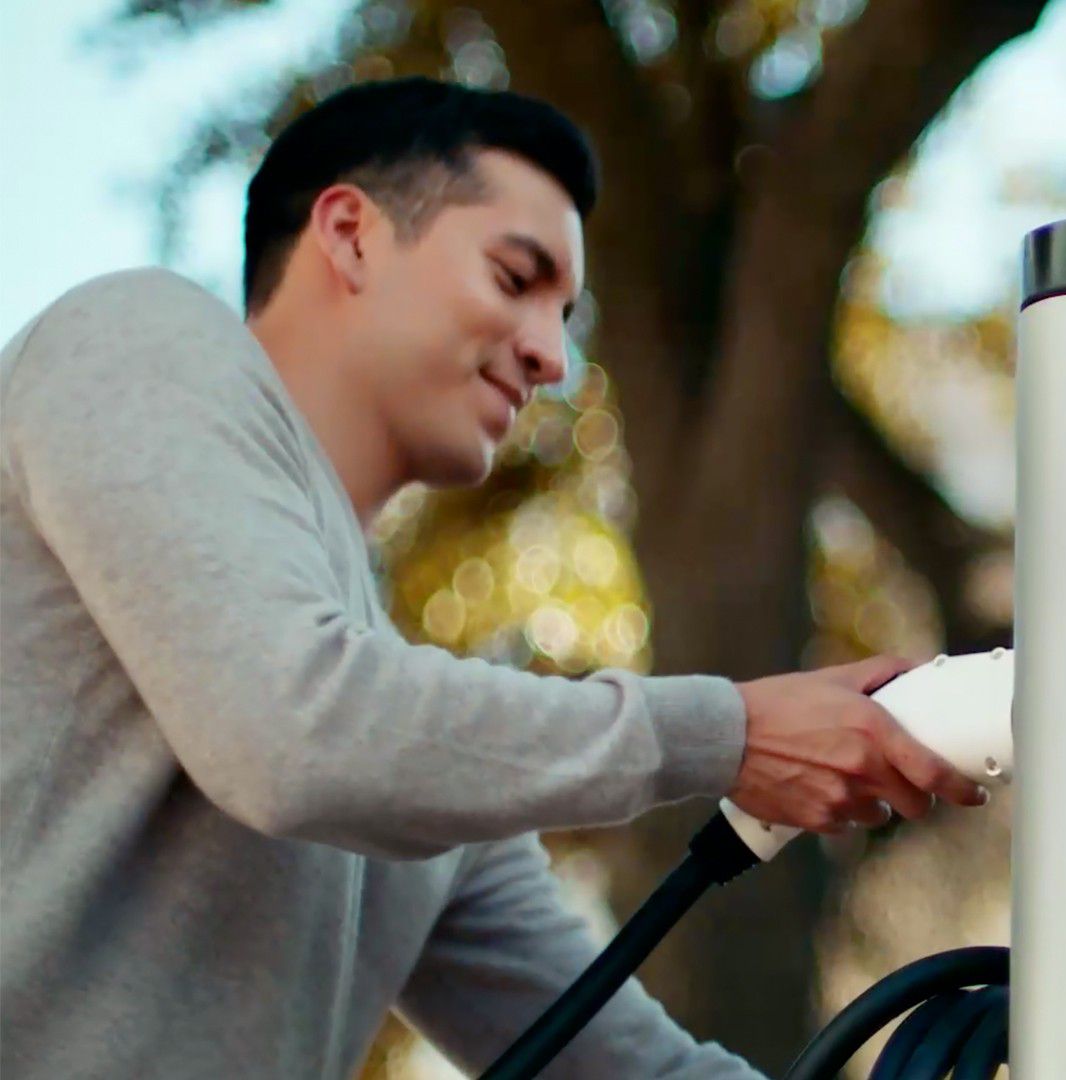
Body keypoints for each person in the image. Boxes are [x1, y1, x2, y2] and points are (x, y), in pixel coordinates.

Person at [0, 77, 988, 1079]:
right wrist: (729, 733)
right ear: (349, 234)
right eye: (517, 278)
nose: (553, 357)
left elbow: (632, 1071)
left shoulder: (416, 756)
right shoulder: (138, 338)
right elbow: (295, 735)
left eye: (567, 313)